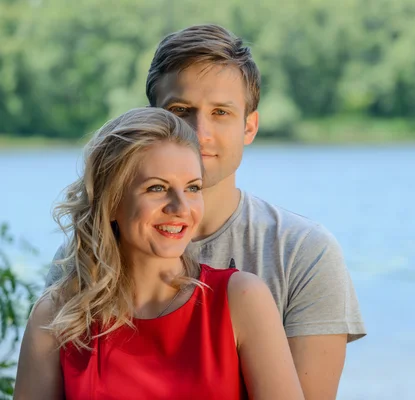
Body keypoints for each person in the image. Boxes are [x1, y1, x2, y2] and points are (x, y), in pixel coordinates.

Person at [47, 24, 366, 399]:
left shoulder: (303, 252)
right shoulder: (85, 262)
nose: (199, 132)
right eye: (181, 110)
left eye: (220, 112)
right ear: (155, 120)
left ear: (249, 126)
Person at [15, 108, 304, 400]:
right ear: (111, 202)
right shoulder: (56, 316)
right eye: (157, 188)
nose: (180, 208)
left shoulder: (242, 300)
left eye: (193, 188)